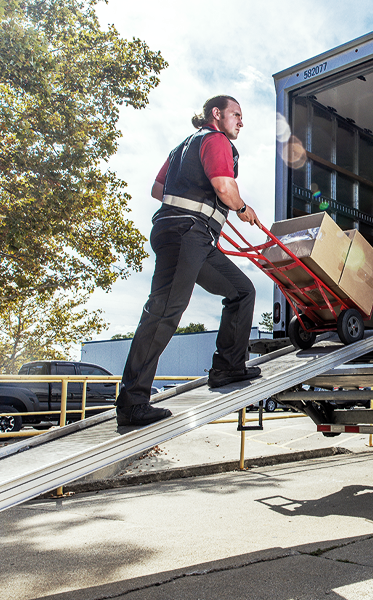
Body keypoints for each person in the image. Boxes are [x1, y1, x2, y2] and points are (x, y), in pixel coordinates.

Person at [116, 95, 262, 427]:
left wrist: (199, 204)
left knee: (242, 291)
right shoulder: (216, 139)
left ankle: (228, 367)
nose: (241, 121)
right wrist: (241, 208)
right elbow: (224, 187)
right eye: (236, 114)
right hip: (186, 234)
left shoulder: (180, 149)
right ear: (216, 114)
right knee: (164, 311)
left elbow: (158, 189)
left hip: (194, 237)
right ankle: (132, 402)